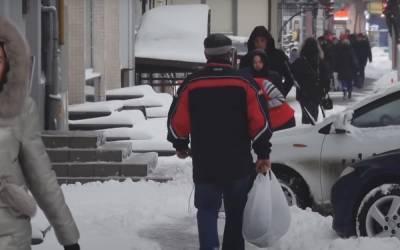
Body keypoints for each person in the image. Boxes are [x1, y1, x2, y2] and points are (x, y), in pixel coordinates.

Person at [167, 34, 272, 250]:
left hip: (205, 164)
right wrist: (262, 154)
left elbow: (177, 123)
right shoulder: (244, 83)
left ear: (206, 55)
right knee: (235, 212)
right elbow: (260, 123)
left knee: (206, 210)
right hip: (238, 164)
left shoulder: (191, 85)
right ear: (229, 54)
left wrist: (180, 145)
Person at [0, 17, 80, 250]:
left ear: (10, 64)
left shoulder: (21, 110)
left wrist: (69, 237)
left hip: (9, 237)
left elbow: (41, 177)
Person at [240, 26, 294, 97]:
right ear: (252, 42)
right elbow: (241, 81)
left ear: (267, 41)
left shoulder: (279, 56)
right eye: (256, 41)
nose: (259, 44)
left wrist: (280, 94)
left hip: (274, 99)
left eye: (262, 40)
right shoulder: (246, 59)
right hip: (253, 100)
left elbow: (290, 78)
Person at [248, 49, 296, 131]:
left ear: (264, 62)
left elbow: (280, 97)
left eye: (260, 62)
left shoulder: (273, 76)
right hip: (266, 120)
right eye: (255, 62)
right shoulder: (249, 78)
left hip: (280, 118)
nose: (257, 65)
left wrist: (263, 105)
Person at [291, 37, 330, 124]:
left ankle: (306, 130)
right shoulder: (320, 61)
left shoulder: (300, 61)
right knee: (314, 114)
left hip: (303, 93)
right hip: (316, 92)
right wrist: (324, 90)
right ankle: (311, 130)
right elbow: (326, 77)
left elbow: (292, 74)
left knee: (306, 115)